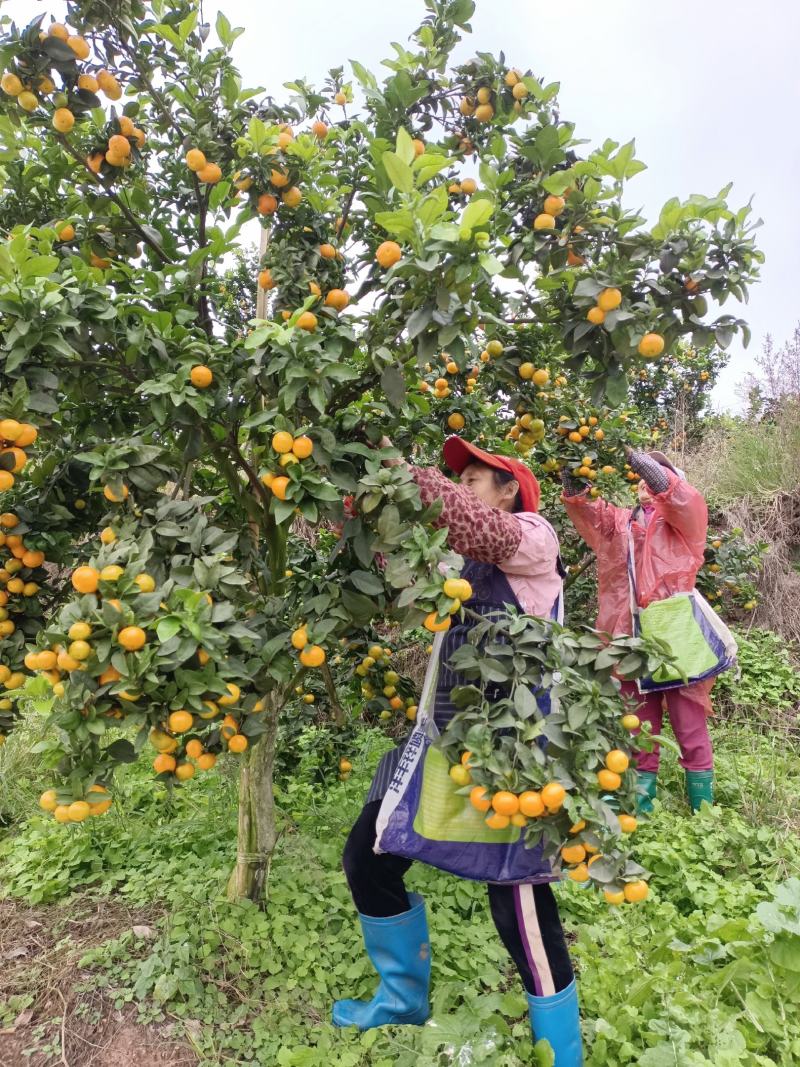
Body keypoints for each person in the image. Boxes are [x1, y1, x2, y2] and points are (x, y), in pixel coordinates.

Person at [332, 435, 583, 1067]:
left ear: (510, 492)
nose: (464, 483)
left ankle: (563, 1047)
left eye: (477, 475)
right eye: (460, 476)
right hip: (443, 741)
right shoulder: (460, 563)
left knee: (518, 899)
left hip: (512, 754)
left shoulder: (533, 540)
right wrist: (354, 497)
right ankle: (401, 998)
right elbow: (399, 562)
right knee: (368, 856)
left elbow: (473, 522)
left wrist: (400, 473)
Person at [561, 448, 713, 813]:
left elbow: (682, 499)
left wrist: (650, 467)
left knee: (687, 722)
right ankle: (641, 804)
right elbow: (589, 513)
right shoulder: (622, 521)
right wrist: (573, 480)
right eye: (645, 473)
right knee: (638, 723)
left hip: (674, 634)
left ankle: (704, 810)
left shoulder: (684, 520)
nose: (648, 479)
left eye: (659, 473)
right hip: (627, 636)